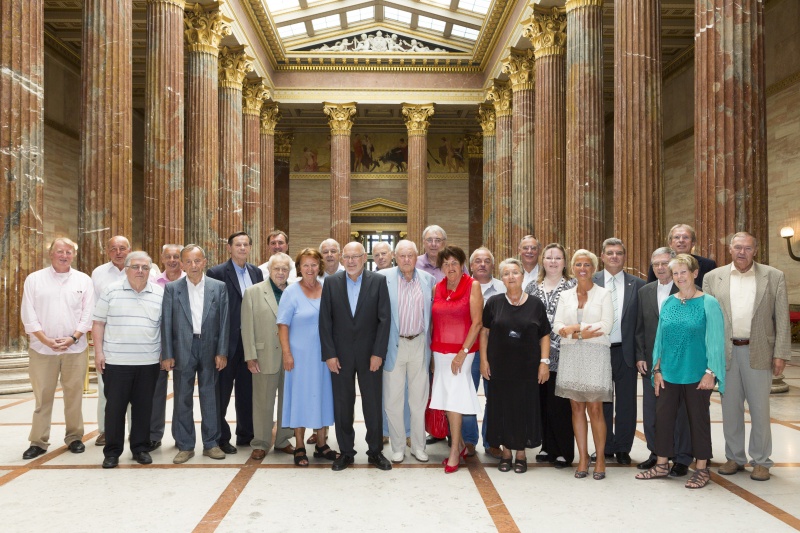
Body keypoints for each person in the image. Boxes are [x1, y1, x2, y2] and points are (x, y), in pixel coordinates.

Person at [703, 232, 791, 482]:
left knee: (760, 410)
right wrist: (709, 356)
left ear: (756, 250)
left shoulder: (773, 277)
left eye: (748, 248)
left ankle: (761, 460)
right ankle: (734, 457)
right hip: (725, 352)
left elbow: (782, 318)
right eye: (738, 247)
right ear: (730, 249)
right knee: (729, 410)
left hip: (759, 350)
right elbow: (708, 320)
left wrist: (781, 353)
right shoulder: (713, 277)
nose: (742, 252)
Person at [635, 254, 726, 489]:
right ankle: (662, 463)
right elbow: (660, 340)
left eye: (683, 272)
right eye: (675, 273)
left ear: (695, 273)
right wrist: (657, 369)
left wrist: (710, 372)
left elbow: (716, 341)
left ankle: (702, 468)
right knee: (663, 419)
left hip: (697, 374)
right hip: (669, 373)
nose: (679, 277)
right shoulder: (669, 302)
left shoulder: (709, 303)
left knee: (698, 421)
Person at [319, 242, 392, 471]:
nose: (351, 261)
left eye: (356, 257)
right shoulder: (331, 283)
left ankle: (375, 451)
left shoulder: (378, 281)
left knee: (372, 403)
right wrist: (329, 354)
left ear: (364, 258)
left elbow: (384, 320)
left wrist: (378, 353)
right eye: (347, 257)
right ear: (342, 259)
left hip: (370, 355)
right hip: (340, 356)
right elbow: (325, 321)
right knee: (343, 404)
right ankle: (346, 452)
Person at [20, 237, 94, 460]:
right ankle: (38, 441)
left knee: (74, 395)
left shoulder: (83, 280)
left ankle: (74, 437)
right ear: (50, 253)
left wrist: (73, 337)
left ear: (74, 255)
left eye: (69, 252)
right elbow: (28, 314)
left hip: (75, 348)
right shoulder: (34, 280)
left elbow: (87, 314)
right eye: (60, 251)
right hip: (42, 350)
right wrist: (45, 340)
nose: (64, 255)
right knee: (43, 396)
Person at [92, 251, 163, 468]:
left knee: (143, 408)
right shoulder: (110, 291)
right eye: (136, 267)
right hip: (116, 362)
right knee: (114, 409)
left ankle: (140, 448)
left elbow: (165, 326)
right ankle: (112, 452)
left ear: (150, 270)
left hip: (149, 362)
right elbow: (98, 323)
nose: (140, 271)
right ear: (127, 269)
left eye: (145, 267)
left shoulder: (160, 293)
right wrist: (98, 353)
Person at [480, 258, 551, 474]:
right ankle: (506, 452)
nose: (511, 277)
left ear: (522, 276)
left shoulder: (536, 303)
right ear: (502, 278)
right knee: (501, 408)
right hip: (499, 367)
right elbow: (484, 332)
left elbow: (545, 335)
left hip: (527, 368)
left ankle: (521, 453)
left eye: (515, 272)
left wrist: (544, 363)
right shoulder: (493, 302)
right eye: (506, 273)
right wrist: (483, 360)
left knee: (523, 409)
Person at [161, 244, 229, 464]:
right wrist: (167, 354)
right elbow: (167, 323)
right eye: (188, 261)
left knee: (210, 396)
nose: (193, 266)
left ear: (204, 261)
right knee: (182, 397)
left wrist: (222, 351)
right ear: (182, 264)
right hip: (182, 348)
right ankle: (185, 445)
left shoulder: (218, 287)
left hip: (210, 347)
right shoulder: (173, 289)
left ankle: (211, 443)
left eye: (197, 261)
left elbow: (225, 322)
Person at [553, 249, 613, 480]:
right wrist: (574, 331)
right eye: (578, 264)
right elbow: (558, 324)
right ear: (573, 268)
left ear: (594, 268)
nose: (582, 268)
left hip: (595, 355)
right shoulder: (565, 295)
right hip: (571, 357)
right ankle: (583, 458)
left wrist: (575, 330)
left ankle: (599, 459)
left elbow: (605, 325)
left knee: (595, 408)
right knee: (576, 408)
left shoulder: (604, 294)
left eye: (587, 264)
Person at [278, 249, 339, 466]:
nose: (310, 269)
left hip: (324, 356)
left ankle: (322, 444)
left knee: (323, 396)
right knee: (300, 398)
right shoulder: (291, 292)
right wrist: (287, 353)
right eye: (306, 265)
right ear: (299, 268)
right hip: (299, 357)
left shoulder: (328, 288)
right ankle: (301, 445)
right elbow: (283, 325)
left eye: (314, 264)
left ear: (319, 266)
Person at [377, 240, 436, 463]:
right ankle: (398, 446)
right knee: (393, 400)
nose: (406, 260)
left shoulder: (428, 280)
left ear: (416, 256)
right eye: (402, 256)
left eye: (410, 255)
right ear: (395, 256)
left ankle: (419, 446)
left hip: (419, 344)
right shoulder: (383, 279)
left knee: (419, 400)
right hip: (394, 345)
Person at [635, 247, 692, 476]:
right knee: (652, 411)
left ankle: (680, 457)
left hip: (679, 363)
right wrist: (640, 355)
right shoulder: (645, 291)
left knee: (679, 412)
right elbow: (639, 327)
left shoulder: (685, 291)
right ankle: (656, 453)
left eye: (664, 263)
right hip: (650, 364)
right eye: (656, 264)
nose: (660, 267)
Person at [207, 231, 264, 454]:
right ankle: (221, 438)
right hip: (227, 344)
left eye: (245, 244)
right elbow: (213, 312)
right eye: (237, 245)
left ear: (250, 247)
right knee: (221, 393)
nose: (242, 248)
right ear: (229, 248)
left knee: (247, 391)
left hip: (250, 344)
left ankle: (246, 434)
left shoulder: (256, 272)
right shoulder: (217, 272)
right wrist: (218, 348)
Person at [430, 246, 483, 473]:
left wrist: (462, 353)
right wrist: (432, 353)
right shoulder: (437, 287)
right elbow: (434, 322)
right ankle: (460, 444)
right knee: (445, 398)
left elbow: (477, 323)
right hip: (440, 352)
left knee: (455, 399)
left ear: (462, 265)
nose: (450, 267)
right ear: (440, 267)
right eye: (446, 263)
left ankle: (454, 452)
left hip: (463, 351)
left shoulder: (473, 286)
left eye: (454, 263)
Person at [592, 238, 645, 465]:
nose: (614, 256)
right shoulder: (589, 281)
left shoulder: (639, 285)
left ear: (624, 257)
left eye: (619, 253)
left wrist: (641, 354)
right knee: (601, 402)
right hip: (598, 351)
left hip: (626, 352)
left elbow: (642, 324)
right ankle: (604, 446)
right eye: (610, 253)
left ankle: (623, 447)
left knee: (626, 403)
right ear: (602, 256)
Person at [525, 243, 577, 468]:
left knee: (561, 405)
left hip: (565, 353)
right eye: (549, 258)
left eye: (558, 258)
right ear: (542, 261)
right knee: (542, 403)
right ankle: (547, 446)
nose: (553, 262)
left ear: (564, 262)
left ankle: (564, 451)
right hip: (537, 355)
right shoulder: (532, 287)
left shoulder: (573, 286)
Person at [242, 252, 296, 461]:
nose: (280, 273)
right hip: (264, 355)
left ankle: (283, 440)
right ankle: (261, 442)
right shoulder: (253, 292)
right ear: (269, 270)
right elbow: (247, 327)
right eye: (277, 269)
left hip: (291, 355)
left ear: (289, 272)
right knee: (263, 401)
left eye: (284, 269)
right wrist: (250, 356)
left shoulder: (295, 291)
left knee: (287, 400)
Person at [467, 246, 506, 459]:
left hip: (497, 352)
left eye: (487, 261)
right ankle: (469, 440)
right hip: (469, 351)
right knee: (467, 395)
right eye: (478, 261)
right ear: (471, 265)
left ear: (493, 264)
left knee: (496, 397)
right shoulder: (463, 287)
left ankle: (492, 442)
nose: (482, 264)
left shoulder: (503, 288)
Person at [149, 243, 185, 452]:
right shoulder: (153, 283)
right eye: (168, 256)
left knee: (182, 392)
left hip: (184, 344)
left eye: (177, 256)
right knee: (156, 391)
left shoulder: (190, 281)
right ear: (162, 259)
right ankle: (154, 435)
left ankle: (181, 435)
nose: (172, 260)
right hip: (158, 344)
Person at [646, 224, 717, 286]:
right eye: (676, 237)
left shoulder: (708, 265)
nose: (681, 240)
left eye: (686, 237)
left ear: (693, 243)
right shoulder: (658, 265)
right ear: (670, 243)